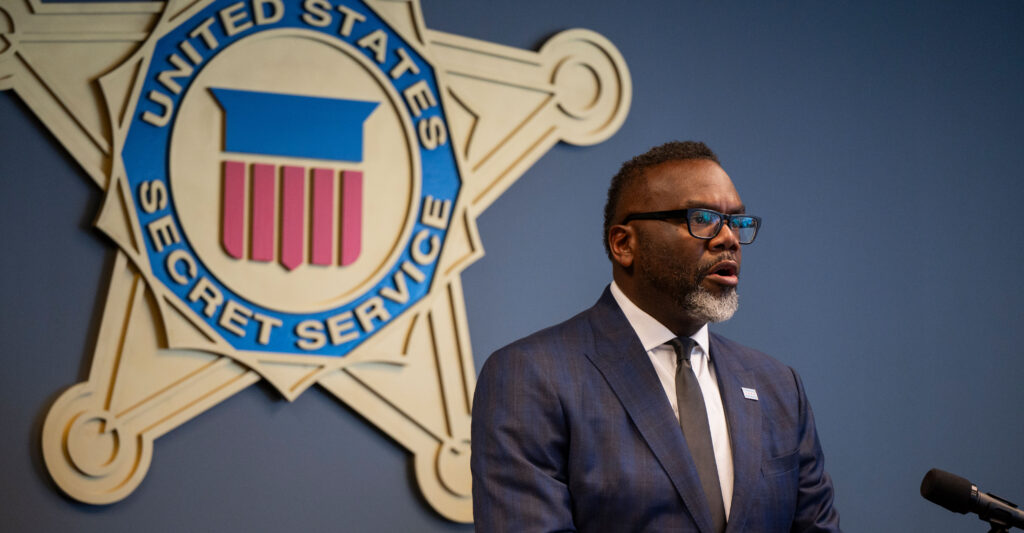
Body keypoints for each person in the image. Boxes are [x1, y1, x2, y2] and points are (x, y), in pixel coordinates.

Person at [470, 141, 840, 532]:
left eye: (738, 222)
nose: (728, 238)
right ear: (624, 244)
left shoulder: (779, 388)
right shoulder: (532, 376)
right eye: (703, 219)